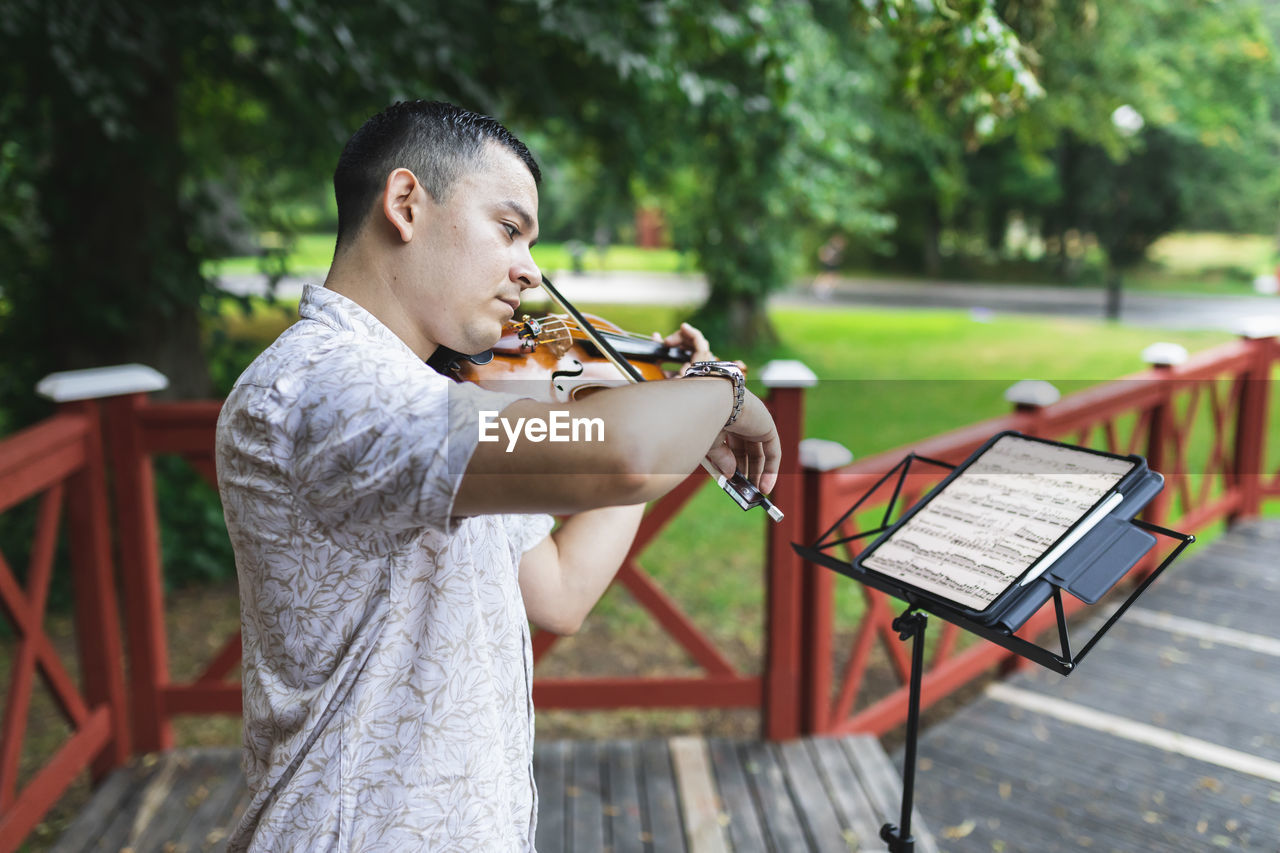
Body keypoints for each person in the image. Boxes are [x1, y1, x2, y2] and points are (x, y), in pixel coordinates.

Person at [214, 100, 781, 852]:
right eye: (509, 229)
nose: (530, 269)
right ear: (406, 203)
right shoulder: (329, 387)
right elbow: (623, 455)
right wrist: (720, 391)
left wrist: (662, 401)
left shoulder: (437, 406)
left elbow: (561, 588)